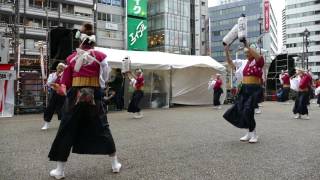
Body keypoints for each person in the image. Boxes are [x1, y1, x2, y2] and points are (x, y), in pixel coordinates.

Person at [47, 23, 121, 179]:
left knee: (66, 128)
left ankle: (60, 171)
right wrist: (97, 87)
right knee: (102, 127)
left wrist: (61, 88)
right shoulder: (101, 57)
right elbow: (104, 78)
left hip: (75, 96)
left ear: (80, 40)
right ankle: (115, 164)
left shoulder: (71, 57)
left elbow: (65, 80)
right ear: (93, 40)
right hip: (94, 94)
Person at [223, 42, 264, 143]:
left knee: (248, 110)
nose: (246, 53)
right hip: (244, 88)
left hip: (254, 89)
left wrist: (246, 44)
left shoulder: (259, 61)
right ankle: (249, 132)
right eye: (245, 52)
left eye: (248, 52)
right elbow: (230, 63)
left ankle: (254, 133)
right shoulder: (244, 62)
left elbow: (257, 56)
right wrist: (227, 51)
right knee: (241, 110)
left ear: (253, 52)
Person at [41, 63, 66, 130]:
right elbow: (48, 83)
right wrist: (55, 81)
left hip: (62, 93)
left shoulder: (65, 75)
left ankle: (62, 124)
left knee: (62, 108)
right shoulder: (52, 75)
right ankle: (46, 123)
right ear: (57, 68)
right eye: (59, 67)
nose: (60, 69)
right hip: (54, 92)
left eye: (62, 68)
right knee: (50, 107)